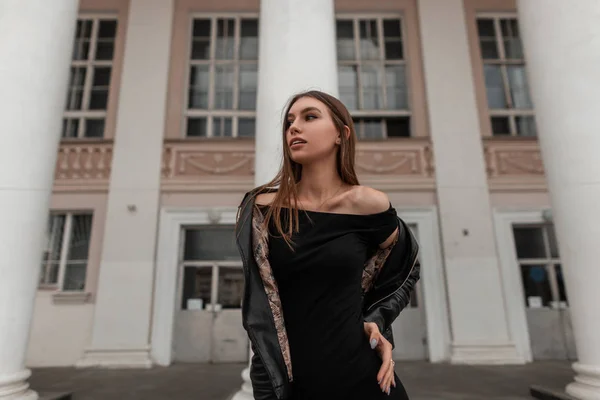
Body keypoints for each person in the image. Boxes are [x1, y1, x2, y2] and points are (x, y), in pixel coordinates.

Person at [235, 90, 420, 400]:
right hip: (291, 383)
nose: (294, 127)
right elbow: (261, 314)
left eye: (310, 117)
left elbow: (406, 268)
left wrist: (376, 319)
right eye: (289, 121)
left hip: (365, 379)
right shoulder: (260, 209)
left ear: (341, 134)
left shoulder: (368, 204)